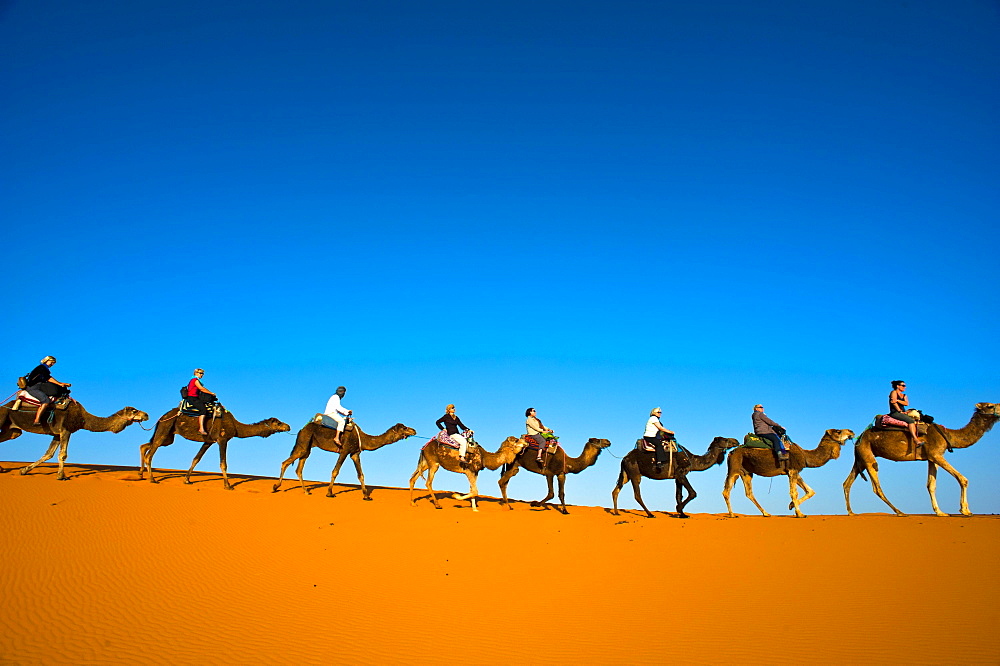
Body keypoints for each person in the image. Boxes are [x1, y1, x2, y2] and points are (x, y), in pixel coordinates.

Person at [24, 356, 71, 425]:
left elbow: (49, 378)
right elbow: (48, 378)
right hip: (33, 388)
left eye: (53, 363)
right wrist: (59, 384)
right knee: (46, 401)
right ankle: (37, 420)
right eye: (51, 362)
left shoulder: (43, 369)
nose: (52, 364)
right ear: (47, 360)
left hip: (39, 386)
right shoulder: (42, 368)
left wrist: (60, 384)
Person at [888, 380, 924, 447]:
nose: (905, 387)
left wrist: (898, 400)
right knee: (911, 421)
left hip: (903, 412)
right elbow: (893, 402)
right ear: (898, 386)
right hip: (895, 412)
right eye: (903, 386)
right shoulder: (893, 392)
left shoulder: (904, 395)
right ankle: (915, 439)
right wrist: (899, 411)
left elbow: (906, 403)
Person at [185, 368, 217, 435]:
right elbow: (202, 389)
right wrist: (211, 393)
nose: (201, 375)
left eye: (202, 373)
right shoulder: (195, 380)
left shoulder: (196, 380)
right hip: (193, 398)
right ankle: (201, 429)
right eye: (200, 373)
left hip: (196, 397)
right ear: (195, 373)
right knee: (203, 410)